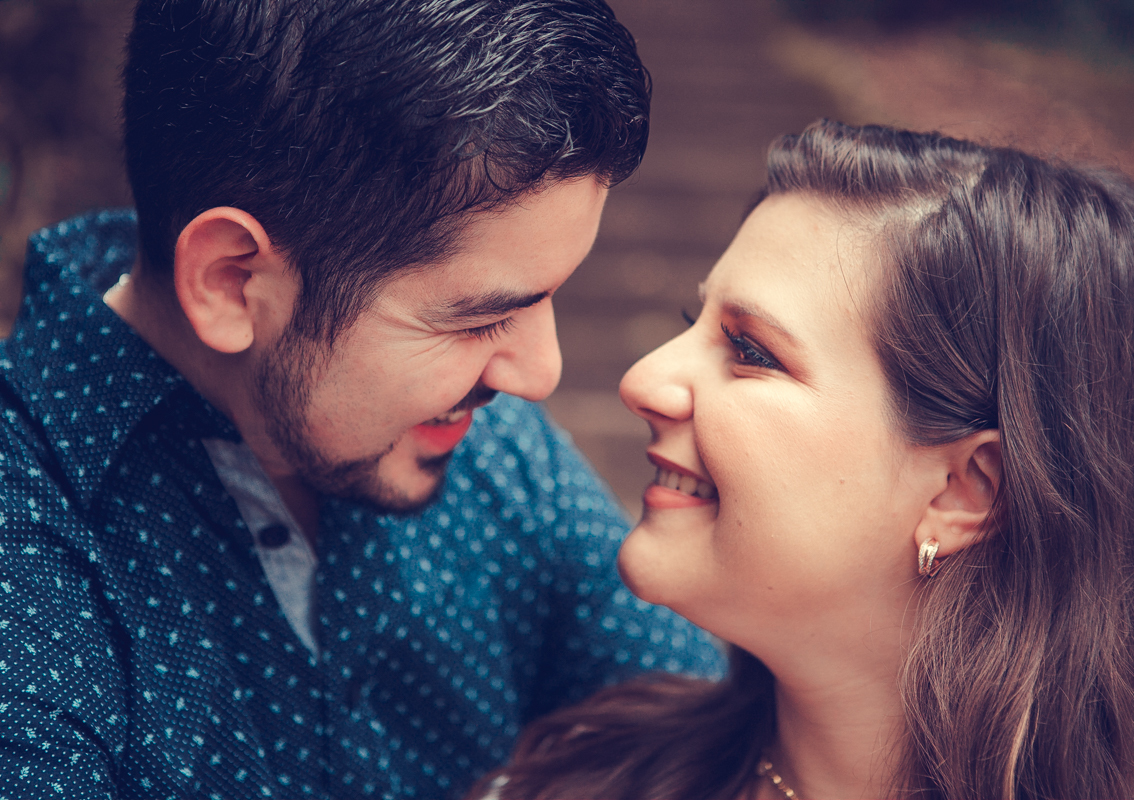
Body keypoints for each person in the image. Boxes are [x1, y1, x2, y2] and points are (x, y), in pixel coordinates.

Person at [0, 1, 723, 798]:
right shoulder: (28, 559)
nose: (538, 374)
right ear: (233, 281)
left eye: (548, 298)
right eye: (480, 319)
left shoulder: (496, 453)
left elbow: (704, 731)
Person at [471, 119, 1134, 799]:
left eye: (751, 351)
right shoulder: (572, 778)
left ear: (963, 491)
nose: (643, 380)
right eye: (692, 322)